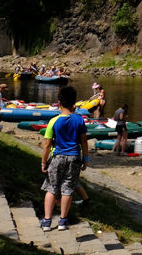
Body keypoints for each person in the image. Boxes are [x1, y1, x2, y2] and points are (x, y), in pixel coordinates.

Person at [40, 86, 89, 232]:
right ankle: (62, 221)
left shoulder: (53, 121)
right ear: (74, 102)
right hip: (74, 157)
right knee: (67, 189)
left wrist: (43, 162)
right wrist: (85, 158)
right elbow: (84, 141)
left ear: (59, 102)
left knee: (52, 188)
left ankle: (47, 221)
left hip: (58, 157)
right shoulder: (79, 120)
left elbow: (47, 145)